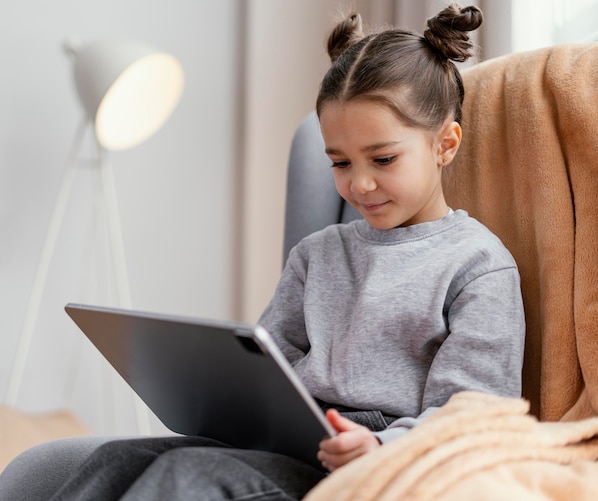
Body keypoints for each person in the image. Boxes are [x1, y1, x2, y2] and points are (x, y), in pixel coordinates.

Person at [0, 3, 525, 500]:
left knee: (189, 474)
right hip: (284, 443)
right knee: (115, 460)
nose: (360, 183)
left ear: (445, 144)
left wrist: (380, 446)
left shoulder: (477, 265)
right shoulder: (317, 255)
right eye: (339, 163)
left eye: (382, 159)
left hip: (367, 466)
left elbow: (475, 413)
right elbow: (266, 367)